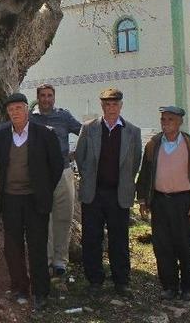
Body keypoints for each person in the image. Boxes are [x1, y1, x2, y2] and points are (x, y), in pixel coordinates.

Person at [0, 83, 81, 276]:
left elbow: (83, 133)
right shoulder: (31, 118)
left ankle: (60, 261)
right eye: (42, 96)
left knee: (63, 216)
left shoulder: (64, 117)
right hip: (40, 176)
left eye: (49, 95)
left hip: (63, 172)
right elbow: (0, 129)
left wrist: (78, 153)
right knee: (44, 217)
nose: (46, 99)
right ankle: (46, 259)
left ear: (54, 97)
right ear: (37, 99)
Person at [0, 93, 63, 310]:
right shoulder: (3, 136)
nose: (15, 113)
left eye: (19, 109)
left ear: (27, 110)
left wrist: (44, 190)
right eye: (11, 110)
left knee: (37, 246)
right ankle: (20, 288)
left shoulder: (44, 134)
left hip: (35, 199)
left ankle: (40, 292)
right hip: (11, 199)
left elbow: (56, 166)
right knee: (12, 247)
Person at [135, 106, 190, 301]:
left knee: (185, 245)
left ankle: (189, 287)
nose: (165, 123)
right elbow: (145, 174)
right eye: (163, 119)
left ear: (179, 122)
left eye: (170, 119)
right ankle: (169, 286)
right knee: (162, 245)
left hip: (184, 202)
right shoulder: (153, 144)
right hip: (160, 201)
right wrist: (143, 199)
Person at [73, 87, 141, 296]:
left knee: (119, 238)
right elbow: (80, 157)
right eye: (107, 104)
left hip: (118, 194)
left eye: (115, 104)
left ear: (121, 106)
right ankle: (95, 279)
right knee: (92, 238)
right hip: (94, 193)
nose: (111, 108)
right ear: (102, 106)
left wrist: (125, 182)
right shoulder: (89, 128)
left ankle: (121, 280)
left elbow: (135, 162)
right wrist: (89, 177)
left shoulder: (132, 131)